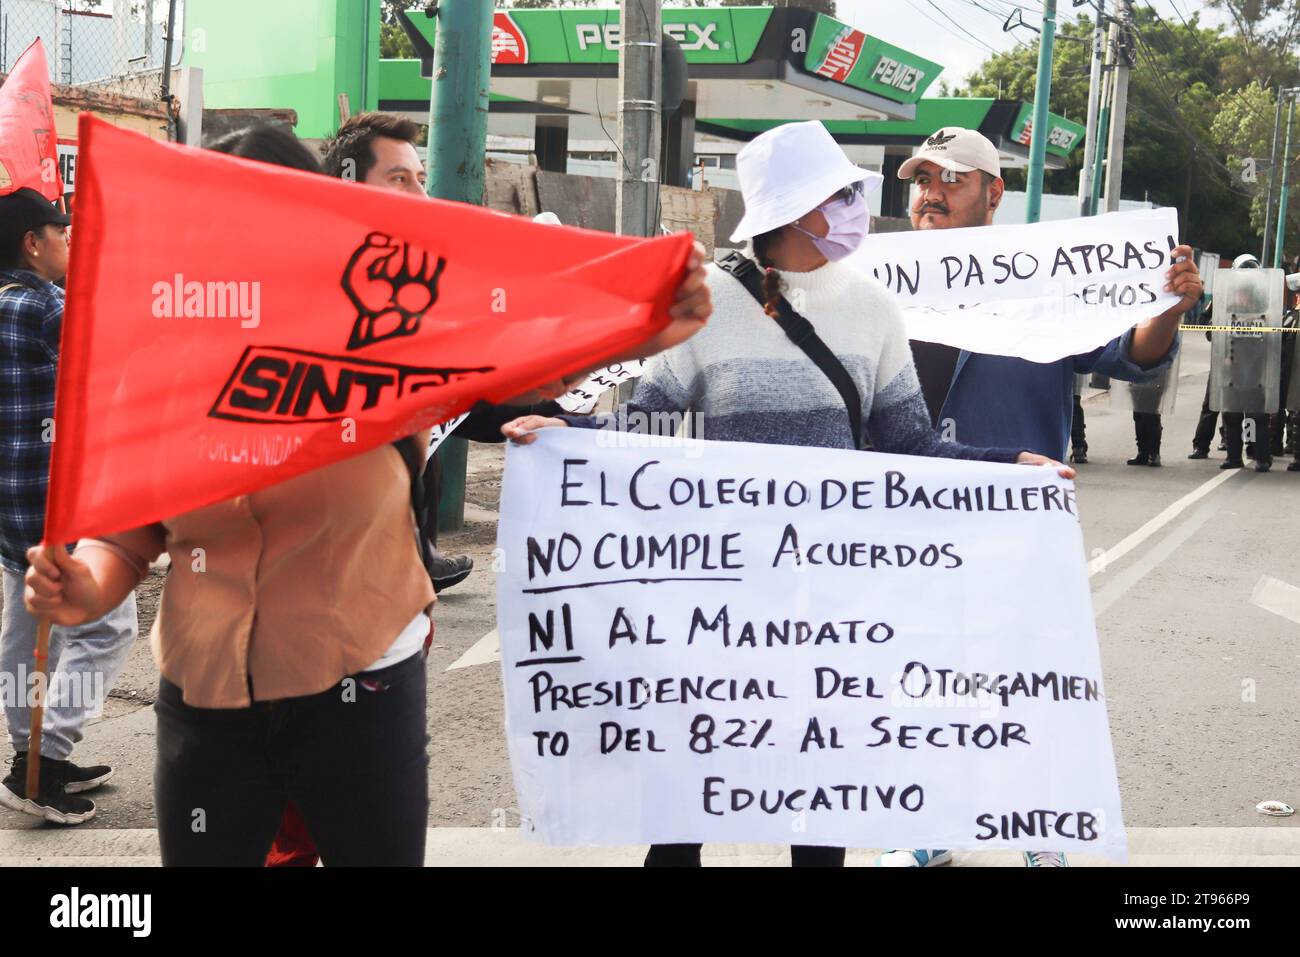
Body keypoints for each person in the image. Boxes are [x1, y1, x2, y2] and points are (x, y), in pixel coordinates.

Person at [23, 125, 713, 865]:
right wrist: (84, 587)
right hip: (204, 697)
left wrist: (640, 325)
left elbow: (523, 362)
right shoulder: (157, 367)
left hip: (362, 689)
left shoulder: (389, 344)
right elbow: (130, 535)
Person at [500, 120, 1071, 868]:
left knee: (817, 797)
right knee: (687, 799)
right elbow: (651, 429)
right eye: (841, 195)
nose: (856, 209)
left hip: (823, 602)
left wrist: (1008, 466)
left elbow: (911, 447)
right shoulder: (705, 305)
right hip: (713, 596)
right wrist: (566, 432)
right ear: (798, 209)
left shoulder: (873, 310)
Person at [883, 126, 1203, 868]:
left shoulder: (1041, 282)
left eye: (951, 181)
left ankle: (1040, 826)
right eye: (922, 180)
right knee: (918, 673)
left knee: (1026, 678)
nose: (931, 194)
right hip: (905, 516)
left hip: (1016, 519)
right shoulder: (878, 284)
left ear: (994, 194)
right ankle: (927, 822)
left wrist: (1171, 307)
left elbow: (1132, 353)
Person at [0, 188, 138, 826]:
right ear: (33, 242)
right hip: (62, 499)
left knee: (28, 627)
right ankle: (47, 764)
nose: (68, 242)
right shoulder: (44, 306)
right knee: (107, 626)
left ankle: (27, 753)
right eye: (61, 232)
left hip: (10, 505)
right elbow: (122, 347)